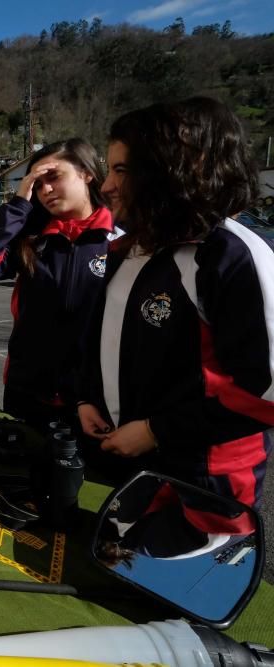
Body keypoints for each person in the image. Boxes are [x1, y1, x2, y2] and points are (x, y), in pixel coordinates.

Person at [77, 97, 274, 510]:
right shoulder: (126, 251)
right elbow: (106, 344)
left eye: (120, 170)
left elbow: (264, 394)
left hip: (204, 478)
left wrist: (155, 431)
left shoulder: (231, 255)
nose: (106, 186)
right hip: (123, 457)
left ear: (166, 172)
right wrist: (87, 398)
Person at [0, 139, 115, 431]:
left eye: (54, 177)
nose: (45, 190)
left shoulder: (120, 239)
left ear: (86, 173)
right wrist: (19, 204)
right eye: (37, 182)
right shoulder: (32, 240)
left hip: (95, 398)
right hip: (27, 392)